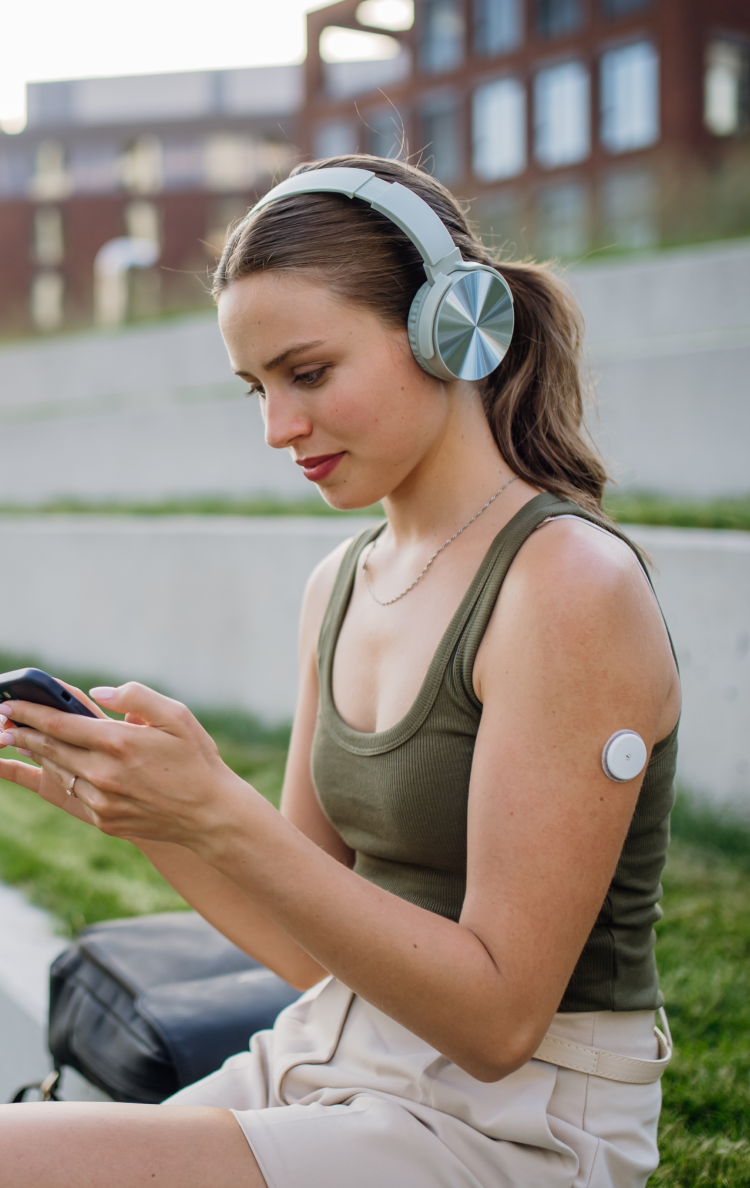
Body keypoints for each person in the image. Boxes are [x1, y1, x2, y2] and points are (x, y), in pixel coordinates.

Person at [0, 156, 680, 1188]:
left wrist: (222, 812)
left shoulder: (568, 588)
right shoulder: (342, 583)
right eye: (256, 388)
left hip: (510, 1128)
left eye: (308, 373)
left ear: (450, 326)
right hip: (332, 1057)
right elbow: (311, 955)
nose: (278, 428)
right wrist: (161, 818)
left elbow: (498, 1023)